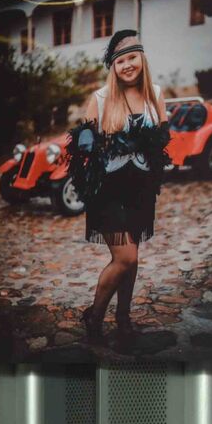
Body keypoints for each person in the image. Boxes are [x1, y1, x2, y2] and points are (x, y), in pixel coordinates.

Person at [77, 28, 168, 349]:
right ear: (113, 66)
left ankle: (124, 318)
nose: (127, 65)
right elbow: (83, 147)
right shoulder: (100, 99)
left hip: (140, 191)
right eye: (120, 61)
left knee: (133, 258)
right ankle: (94, 318)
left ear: (141, 59)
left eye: (132, 58)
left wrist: (153, 145)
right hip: (107, 192)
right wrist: (95, 144)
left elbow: (162, 138)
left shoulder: (156, 93)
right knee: (125, 257)